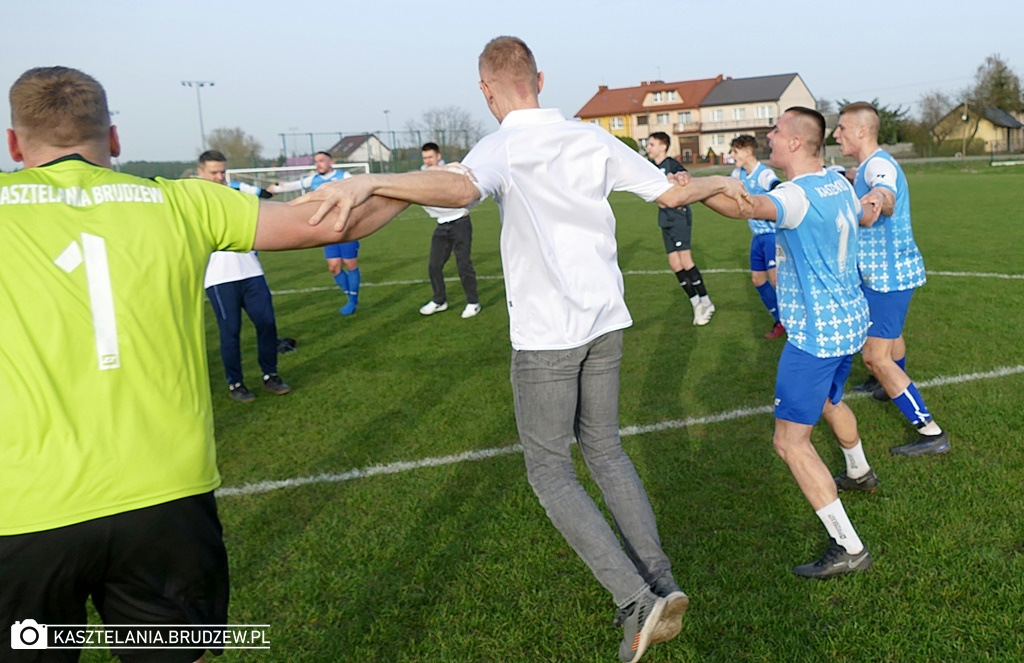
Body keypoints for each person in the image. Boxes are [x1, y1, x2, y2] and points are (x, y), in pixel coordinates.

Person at [296, 36, 750, 663]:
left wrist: (372, 179)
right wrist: (719, 181)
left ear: (487, 91)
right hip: (606, 321)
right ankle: (661, 583)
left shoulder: (502, 145)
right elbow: (672, 194)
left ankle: (636, 600)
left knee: (550, 471)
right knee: (605, 449)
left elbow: (460, 190)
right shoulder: (590, 138)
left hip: (548, 336)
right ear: (539, 78)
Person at [0, 66, 405, 661]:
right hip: (166, 498)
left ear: (14, 143)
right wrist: (417, 183)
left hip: (24, 507)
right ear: (114, 138)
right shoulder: (182, 200)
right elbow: (333, 221)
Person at [701, 107, 878, 578]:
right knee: (829, 402)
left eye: (777, 130)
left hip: (816, 335)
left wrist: (690, 189)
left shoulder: (795, 195)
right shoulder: (837, 182)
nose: (770, 136)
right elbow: (863, 215)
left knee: (789, 442)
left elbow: (743, 207)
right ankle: (859, 470)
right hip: (848, 322)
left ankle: (849, 546)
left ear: (796, 142)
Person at [834, 102, 950, 456]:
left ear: (861, 131)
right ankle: (886, 387)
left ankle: (930, 432)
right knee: (891, 335)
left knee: (874, 356)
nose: (836, 135)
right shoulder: (868, 166)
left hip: (888, 276)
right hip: (884, 274)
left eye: (841, 128)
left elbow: (885, 195)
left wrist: (876, 200)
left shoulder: (879, 166)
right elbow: (865, 177)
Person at [197, 150, 292, 402]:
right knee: (230, 332)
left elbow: (262, 204)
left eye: (222, 172)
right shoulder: (193, 201)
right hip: (219, 278)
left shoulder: (236, 193)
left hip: (251, 271)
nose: (219, 177)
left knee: (267, 324)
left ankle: (270, 376)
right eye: (214, 173)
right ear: (200, 173)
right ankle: (235, 383)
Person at [272, 151, 361, 315]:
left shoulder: (344, 177)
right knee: (333, 267)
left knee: (350, 264)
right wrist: (276, 188)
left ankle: (352, 300)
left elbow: (361, 187)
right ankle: (350, 296)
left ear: (331, 162)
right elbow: (294, 185)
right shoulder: (313, 180)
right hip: (327, 231)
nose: (318, 164)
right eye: (316, 161)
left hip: (346, 228)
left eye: (321, 160)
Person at [646, 131, 715, 325]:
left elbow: (686, 181)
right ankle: (696, 304)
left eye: (652, 144)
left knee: (685, 261)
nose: (648, 148)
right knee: (675, 264)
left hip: (678, 216)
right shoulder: (650, 167)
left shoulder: (672, 165)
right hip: (664, 218)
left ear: (663, 146)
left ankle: (706, 302)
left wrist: (677, 179)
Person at [729, 134, 784, 338]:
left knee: (777, 280)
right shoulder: (738, 174)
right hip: (757, 237)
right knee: (758, 280)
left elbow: (777, 186)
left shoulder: (763, 173)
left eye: (735, 151)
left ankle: (797, 320)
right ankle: (780, 320)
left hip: (772, 235)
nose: (732, 155)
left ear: (748, 151)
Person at [417, 142, 481, 318]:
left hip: (460, 222)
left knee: (463, 264)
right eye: (425, 158)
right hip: (442, 225)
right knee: (434, 265)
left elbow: (470, 183)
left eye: (430, 157)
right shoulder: (422, 175)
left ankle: (473, 302)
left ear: (438, 156)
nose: (428, 161)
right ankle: (439, 301)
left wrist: (453, 168)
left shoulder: (453, 170)